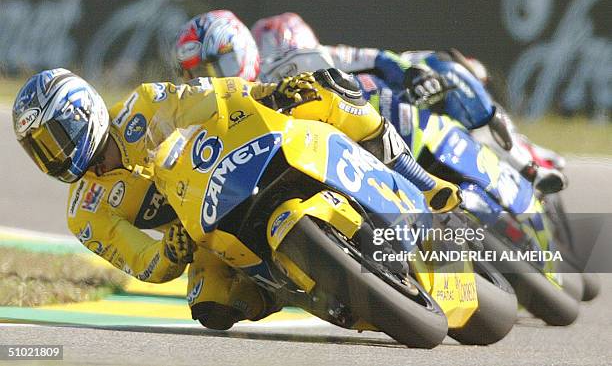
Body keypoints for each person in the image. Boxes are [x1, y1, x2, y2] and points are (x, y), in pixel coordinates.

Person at [13, 66, 460, 330]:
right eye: (40, 152)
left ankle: (417, 179)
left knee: (327, 89)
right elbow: (142, 262)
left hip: (241, 162)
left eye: (52, 141)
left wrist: (272, 92)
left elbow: (220, 96)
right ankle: (303, 287)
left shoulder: (144, 104)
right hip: (203, 231)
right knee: (211, 307)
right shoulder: (86, 213)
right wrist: (171, 252)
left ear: (79, 113)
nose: (51, 158)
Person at [251, 12, 567, 194]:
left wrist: (413, 76)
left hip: (403, 121)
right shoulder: (262, 98)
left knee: (444, 64)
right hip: (358, 163)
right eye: (271, 56)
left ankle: (523, 160)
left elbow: (382, 59)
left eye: (286, 49)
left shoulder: (328, 56)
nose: (281, 60)